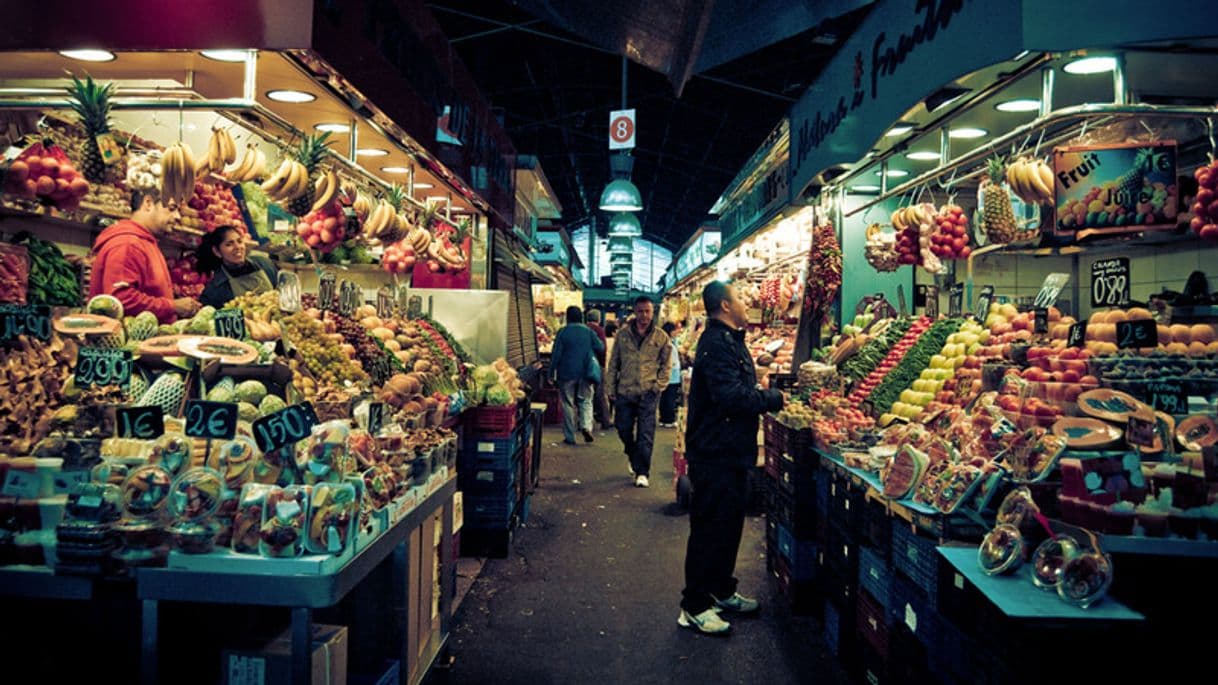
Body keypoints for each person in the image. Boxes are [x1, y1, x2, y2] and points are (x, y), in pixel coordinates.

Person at [678, 281, 784, 635]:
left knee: (728, 527)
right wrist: (771, 398)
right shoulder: (716, 345)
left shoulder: (729, 341)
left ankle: (720, 590)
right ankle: (693, 605)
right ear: (725, 305)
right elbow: (731, 397)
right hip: (715, 454)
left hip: (731, 451)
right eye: (739, 298)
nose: (744, 303)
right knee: (709, 529)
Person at [89, 188, 199, 323]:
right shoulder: (128, 244)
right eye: (171, 208)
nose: (177, 216)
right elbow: (120, 300)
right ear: (148, 203)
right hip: (129, 342)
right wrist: (173, 306)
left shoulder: (144, 242)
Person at [606, 296, 672, 488]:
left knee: (646, 433)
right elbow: (613, 363)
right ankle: (632, 454)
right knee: (622, 427)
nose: (644, 315)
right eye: (641, 311)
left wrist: (659, 385)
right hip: (625, 390)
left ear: (653, 313)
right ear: (634, 311)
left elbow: (667, 363)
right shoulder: (623, 335)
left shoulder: (660, 337)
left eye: (648, 311)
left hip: (649, 392)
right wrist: (610, 387)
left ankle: (642, 472)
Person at [549, 306, 604, 445]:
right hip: (585, 372)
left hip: (566, 372)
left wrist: (551, 373)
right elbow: (600, 347)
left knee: (567, 403)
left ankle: (570, 436)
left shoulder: (563, 332)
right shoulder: (588, 331)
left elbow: (556, 355)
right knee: (585, 400)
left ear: (568, 317)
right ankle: (586, 427)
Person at [196, 225, 279, 309]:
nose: (238, 247)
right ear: (217, 251)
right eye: (229, 244)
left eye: (239, 241)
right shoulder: (214, 291)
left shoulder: (265, 264)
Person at [584, 309, 613, 430]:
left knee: (585, 395)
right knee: (601, 394)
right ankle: (605, 421)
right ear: (598, 319)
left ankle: (584, 422)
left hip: (584, 365)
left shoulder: (583, 328)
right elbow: (602, 349)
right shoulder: (599, 330)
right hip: (597, 366)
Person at [659, 321, 682, 427]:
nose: (676, 332)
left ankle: (664, 418)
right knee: (669, 398)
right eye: (674, 330)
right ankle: (668, 419)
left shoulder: (670, 342)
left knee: (665, 397)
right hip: (671, 374)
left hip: (669, 373)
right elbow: (671, 360)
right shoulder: (668, 344)